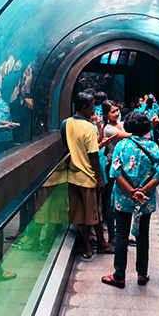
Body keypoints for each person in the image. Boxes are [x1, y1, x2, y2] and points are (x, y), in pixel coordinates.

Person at [102, 112, 159, 288]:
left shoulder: (122, 146)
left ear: (128, 127)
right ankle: (142, 274)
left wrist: (131, 191)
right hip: (145, 200)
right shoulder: (153, 147)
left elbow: (114, 173)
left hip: (124, 197)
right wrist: (143, 190)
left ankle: (119, 276)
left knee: (121, 234)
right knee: (143, 235)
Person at [61, 92, 113, 258]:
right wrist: (99, 179)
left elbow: (66, 144)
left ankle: (87, 247)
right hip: (88, 177)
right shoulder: (89, 128)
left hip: (73, 175)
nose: (93, 111)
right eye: (91, 108)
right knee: (94, 214)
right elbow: (93, 155)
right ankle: (102, 244)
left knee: (79, 215)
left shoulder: (66, 123)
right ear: (83, 108)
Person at [102, 100, 132, 244]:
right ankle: (113, 236)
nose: (116, 113)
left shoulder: (119, 123)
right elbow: (129, 136)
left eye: (117, 110)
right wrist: (146, 127)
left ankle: (123, 234)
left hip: (123, 166)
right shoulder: (108, 129)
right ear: (106, 114)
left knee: (122, 199)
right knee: (110, 201)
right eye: (113, 112)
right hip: (113, 166)